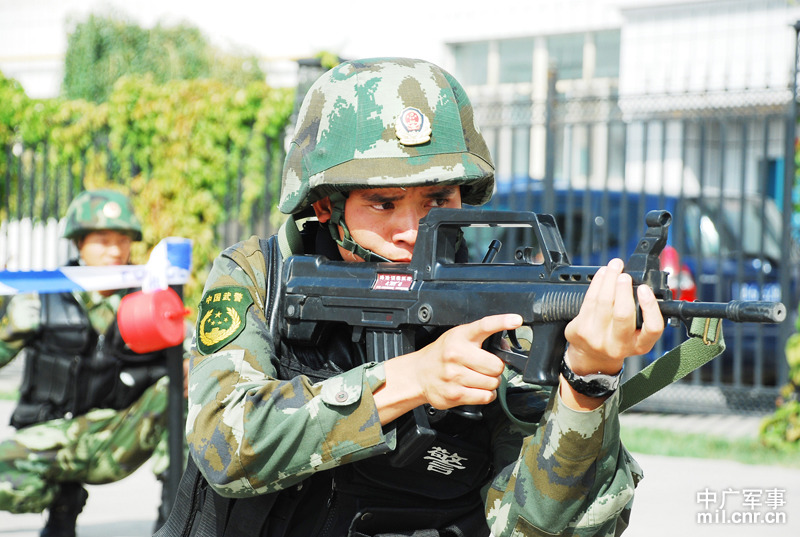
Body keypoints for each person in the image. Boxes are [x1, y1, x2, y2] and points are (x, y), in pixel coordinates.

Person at [180, 57, 664, 536]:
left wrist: (587, 382)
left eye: (437, 200)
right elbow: (223, 446)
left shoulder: (485, 309)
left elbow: (543, 527)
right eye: (383, 203)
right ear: (327, 206)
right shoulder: (262, 278)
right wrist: (411, 379)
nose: (413, 230)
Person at [0, 189, 184, 537]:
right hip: (53, 437)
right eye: (103, 240)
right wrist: (8, 321)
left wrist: (188, 367)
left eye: (123, 240)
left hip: (116, 437)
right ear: (79, 243)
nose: (115, 250)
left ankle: (172, 521)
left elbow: (190, 355)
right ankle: (62, 503)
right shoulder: (41, 296)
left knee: (181, 388)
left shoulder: (148, 299)